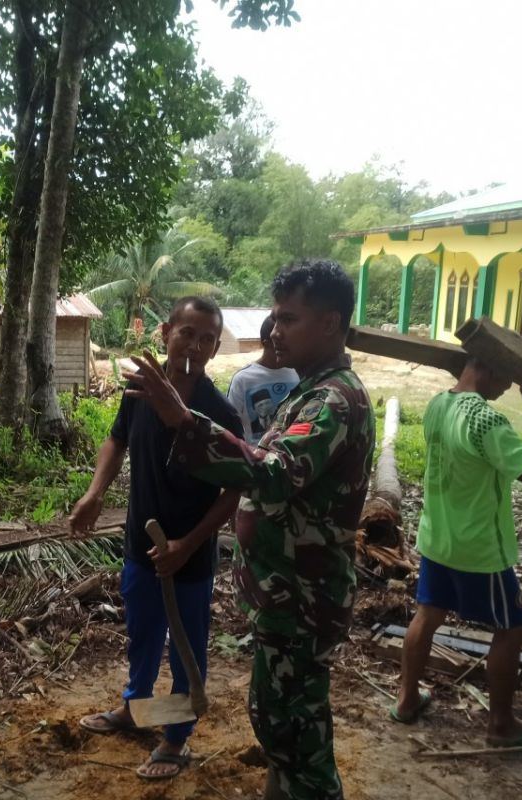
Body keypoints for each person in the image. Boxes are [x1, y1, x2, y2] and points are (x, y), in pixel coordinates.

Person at [125, 260, 375, 800]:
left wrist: (186, 424)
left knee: (298, 738)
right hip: (285, 597)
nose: (275, 330)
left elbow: (273, 472)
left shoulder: (332, 400)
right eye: (275, 317)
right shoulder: (310, 391)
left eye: (289, 318)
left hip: (302, 600)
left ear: (329, 324)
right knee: (281, 726)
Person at [72, 297, 242, 781]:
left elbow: (234, 489)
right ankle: (136, 708)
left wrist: (188, 544)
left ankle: (176, 737)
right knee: (143, 634)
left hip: (189, 555)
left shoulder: (219, 412)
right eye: (187, 332)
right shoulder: (139, 391)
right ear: (165, 331)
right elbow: (116, 439)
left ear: (214, 348)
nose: (196, 344)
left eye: (207, 337)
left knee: (188, 646)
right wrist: (94, 493)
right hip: (139, 545)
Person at [391, 355, 522, 749]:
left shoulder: (439, 403)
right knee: (512, 628)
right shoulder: (485, 420)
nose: (508, 389)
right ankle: (501, 725)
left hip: (438, 538)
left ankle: (406, 700)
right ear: (488, 366)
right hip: (479, 550)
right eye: (507, 377)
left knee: (428, 613)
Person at [227, 315, 300, 444]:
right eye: (280, 342)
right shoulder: (243, 379)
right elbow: (229, 426)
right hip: (257, 460)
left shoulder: (297, 373)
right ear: (266, 343)